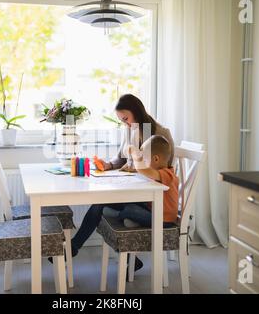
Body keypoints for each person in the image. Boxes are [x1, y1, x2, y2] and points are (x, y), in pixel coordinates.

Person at [51, 94, 176, 272]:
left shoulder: (160, 134)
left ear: (137, 112)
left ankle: (125, 256)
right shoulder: (130, 129)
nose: (125, 124)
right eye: (121, 120)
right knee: (99, 203)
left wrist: (136, 166)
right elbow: (121, 158)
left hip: (153, 198)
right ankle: (74, 247)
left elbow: (164, 169)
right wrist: (108, 165)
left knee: (107, 208)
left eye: (126, 118)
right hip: (135, 190)